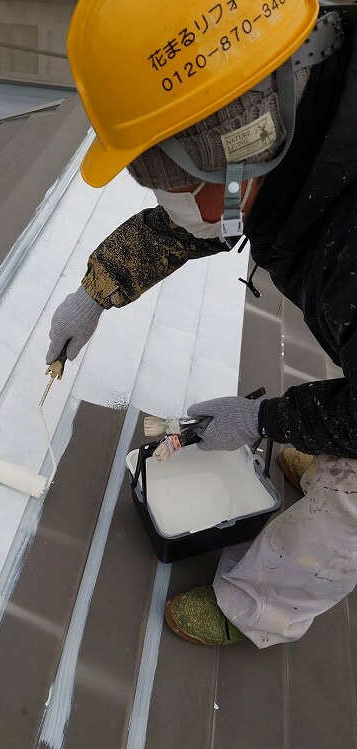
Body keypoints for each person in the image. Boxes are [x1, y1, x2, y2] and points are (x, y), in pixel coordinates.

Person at [47, 0, 357, 647]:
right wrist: (97, 291)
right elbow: (217, 211)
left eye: (172, 184)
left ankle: (259, 608)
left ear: (243, 147)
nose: (168, 205)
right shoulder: (310, 105)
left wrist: (268, 420)